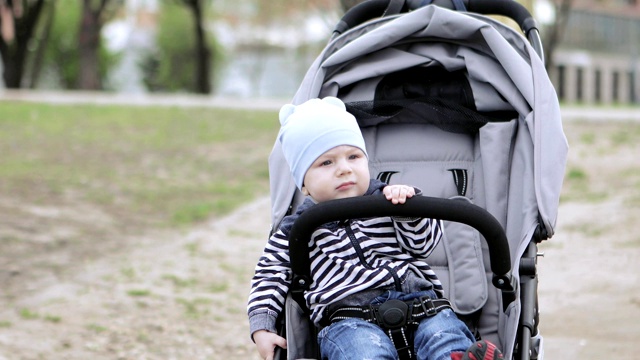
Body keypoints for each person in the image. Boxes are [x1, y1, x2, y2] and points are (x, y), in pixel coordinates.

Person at [247, 97, 503, 360]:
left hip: (421, 304)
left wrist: (407, 211)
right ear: (304, 184)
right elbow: (269, 274)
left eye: (354, 156)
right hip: (349, 321)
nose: (344, 169)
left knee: (444, 334)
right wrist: (262, 326)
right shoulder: (297, 231)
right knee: (363, 352)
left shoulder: (388, 201)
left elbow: (423, 245)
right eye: (326, 163)